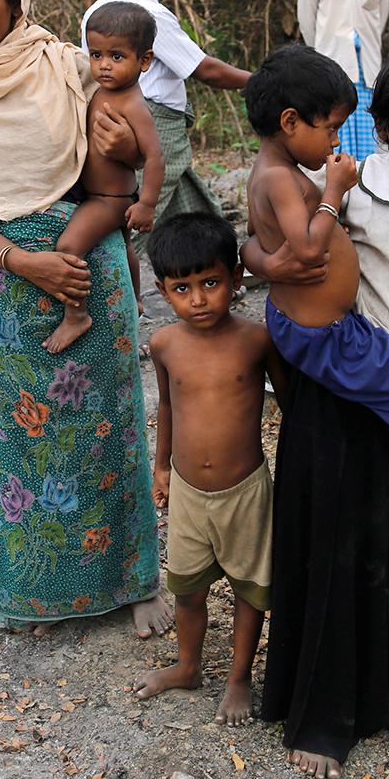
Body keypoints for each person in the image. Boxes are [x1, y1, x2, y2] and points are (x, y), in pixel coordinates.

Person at [0, 0, 173, 639]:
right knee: (24, 448)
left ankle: (134, 579)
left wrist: (120, 158)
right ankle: (31, 591)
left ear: (17, 1)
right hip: (10, 286)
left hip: (92, 268)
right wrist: (25, 264)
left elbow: (123, 156)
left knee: (108, 432)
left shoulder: (64, 65)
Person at [247, 46, 389, 779]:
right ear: (378, 126)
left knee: (388, 537)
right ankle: (319, 711)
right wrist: (259, 258)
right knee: (330, 537)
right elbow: (266, 240)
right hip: (333, 386)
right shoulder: (338, 184)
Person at [244, 44, 389, 455]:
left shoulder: (273, 172)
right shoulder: (280, 178)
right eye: (331, 128)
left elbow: (252, 236)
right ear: (290, 122)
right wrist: (333, 190)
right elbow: (308, 248)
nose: (335, 140)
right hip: (324, 334)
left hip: (320, 324)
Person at [134, 213, 287, 726]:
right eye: (182, 288)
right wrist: (160, 467)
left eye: (211, 283)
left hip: (245, 490)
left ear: (236, 279)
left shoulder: (257, 341)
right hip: (188, 490)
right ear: (162, 290)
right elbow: (168, 407)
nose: (198, 299)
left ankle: (240, 676)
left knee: (250, 588)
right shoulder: (164, 345)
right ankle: (189, 665)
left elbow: (292, 409)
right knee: (188, 589)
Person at [80, 0, 250, 243]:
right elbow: (204, 69)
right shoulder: (148, 13)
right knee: (138, 218)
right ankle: (111, 284)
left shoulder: (97, 10)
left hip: (115, 115)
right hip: (153, 122)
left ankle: (225, 270)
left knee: (196, 212)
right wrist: (260, 81)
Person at [44, 1, 165, 353]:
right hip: (98, 194)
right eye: (96, 55)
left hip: (108, 200)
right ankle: (136, 301)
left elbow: (155, 156)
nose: (104, 65)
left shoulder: (132, 102)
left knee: (68, 247)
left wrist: (147, 204)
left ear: (144, 61)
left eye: (116, 56)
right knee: (124, 247)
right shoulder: (102, 91)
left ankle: (76, 315)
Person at [298, 0, 389, 161]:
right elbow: (307, 23)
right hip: (333, 69)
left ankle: (368, 187)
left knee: (371, 140)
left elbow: (380, 18)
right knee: (336, 135)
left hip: (369, 71)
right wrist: (322, 58)